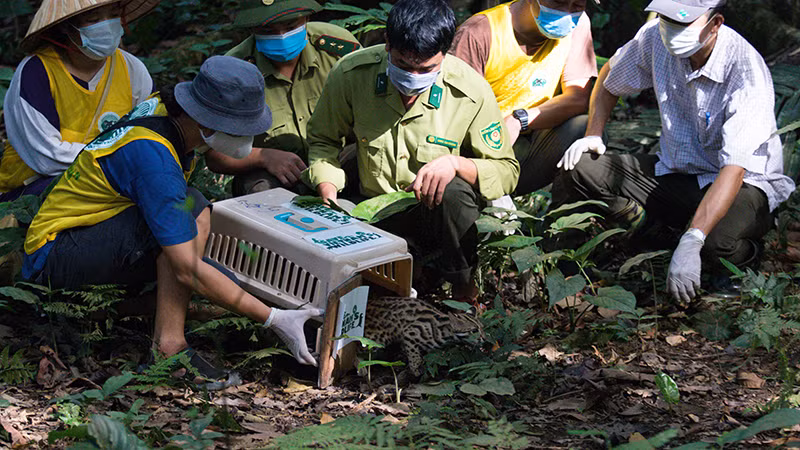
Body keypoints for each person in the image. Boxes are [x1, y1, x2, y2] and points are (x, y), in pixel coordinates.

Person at [22, 56, 322, 388]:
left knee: (195, 217)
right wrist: (274, 318)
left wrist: (263, 156)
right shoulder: (155, 161)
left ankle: (166, 333)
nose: (246, 139)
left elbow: (216, 152)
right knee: (189, 227)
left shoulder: (167, 112)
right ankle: (170, 348)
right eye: (239, 131)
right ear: (206, 122)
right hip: (53, 257)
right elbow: (186, 268)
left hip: (86, 233)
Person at [550, 0, 795, 302]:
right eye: (667, 20)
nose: (672, 31)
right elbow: (610, 76)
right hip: (677, 172)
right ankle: (565, 268)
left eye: (684, 23)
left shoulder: (745, 71)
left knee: (716, 243)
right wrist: (593, 134)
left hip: (742, 185)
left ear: (714, 24)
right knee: (579, 167)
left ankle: (743, 257)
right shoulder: (655, 35)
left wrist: (694, 239)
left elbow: (734, 169)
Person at [306, 0, 520, 300]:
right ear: (387, 45)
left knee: (456, 190)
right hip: (369, 211)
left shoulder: (470, 90)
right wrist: (327, 185)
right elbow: (323, 140)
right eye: (403, 66)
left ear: (444, 54)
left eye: (427, 69)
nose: (413, 77)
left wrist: (455, 164)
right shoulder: (352, 75)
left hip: (433, 216)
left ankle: (462, 290)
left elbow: (506, 170)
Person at [0, 0, 155, 202]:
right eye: (93, 19)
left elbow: (150, 130)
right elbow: (47, 159)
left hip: (112, 178)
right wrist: (123, 158)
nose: (107, 25)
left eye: (113, 14)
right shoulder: (36, 73)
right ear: (66, 26)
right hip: (32, 191)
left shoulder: (131, 69)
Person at [211, 0, 360, 196]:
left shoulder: (336, 48)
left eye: (290, 27)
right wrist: (263, 157)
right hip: (277, 176)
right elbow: (215, 155)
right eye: (268, 30)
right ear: (252, 29)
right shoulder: (233, 72)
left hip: (338, 160)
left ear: (306, 18)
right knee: (260, 190)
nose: (281, 37)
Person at [449, 0, 598, 195]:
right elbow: (454, 116)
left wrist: (520, 119)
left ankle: (560, 212)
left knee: (583, 129)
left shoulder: (577, 25)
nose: (567, 13)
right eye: (559, 3)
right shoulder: (479, 32)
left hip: (527, 141)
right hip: (475, 150)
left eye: (577, 6)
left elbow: (577, 98)